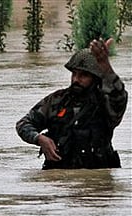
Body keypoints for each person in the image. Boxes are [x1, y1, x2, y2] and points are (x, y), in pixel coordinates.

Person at [16, 38, 128, 169]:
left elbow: (119, 95)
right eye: (74, 74)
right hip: (60, 182)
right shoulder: (57, 100)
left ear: (95, 78)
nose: (76, 79)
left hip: (97, 182)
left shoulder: (105, 104)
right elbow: (23, 124)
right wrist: (39, 139)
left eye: (83, 75)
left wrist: (105, 66)